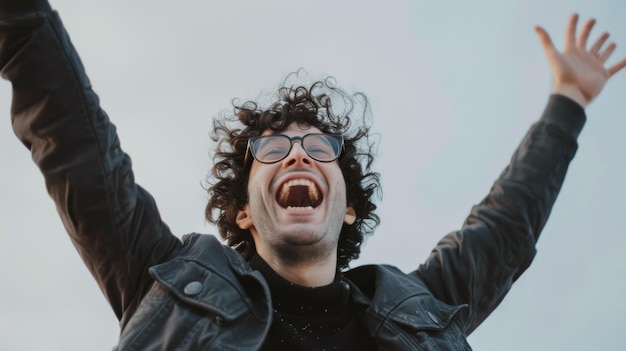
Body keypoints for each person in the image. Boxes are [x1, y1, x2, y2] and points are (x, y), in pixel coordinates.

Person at [1, 1, 625, 350]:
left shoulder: (421, 311)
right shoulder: (165, 282)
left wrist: (568, 100)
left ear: (347, 207)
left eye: (317, 147)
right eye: (272, 150)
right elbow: (75, 141)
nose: (297, 154)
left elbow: (506, 225)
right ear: (244, 211)